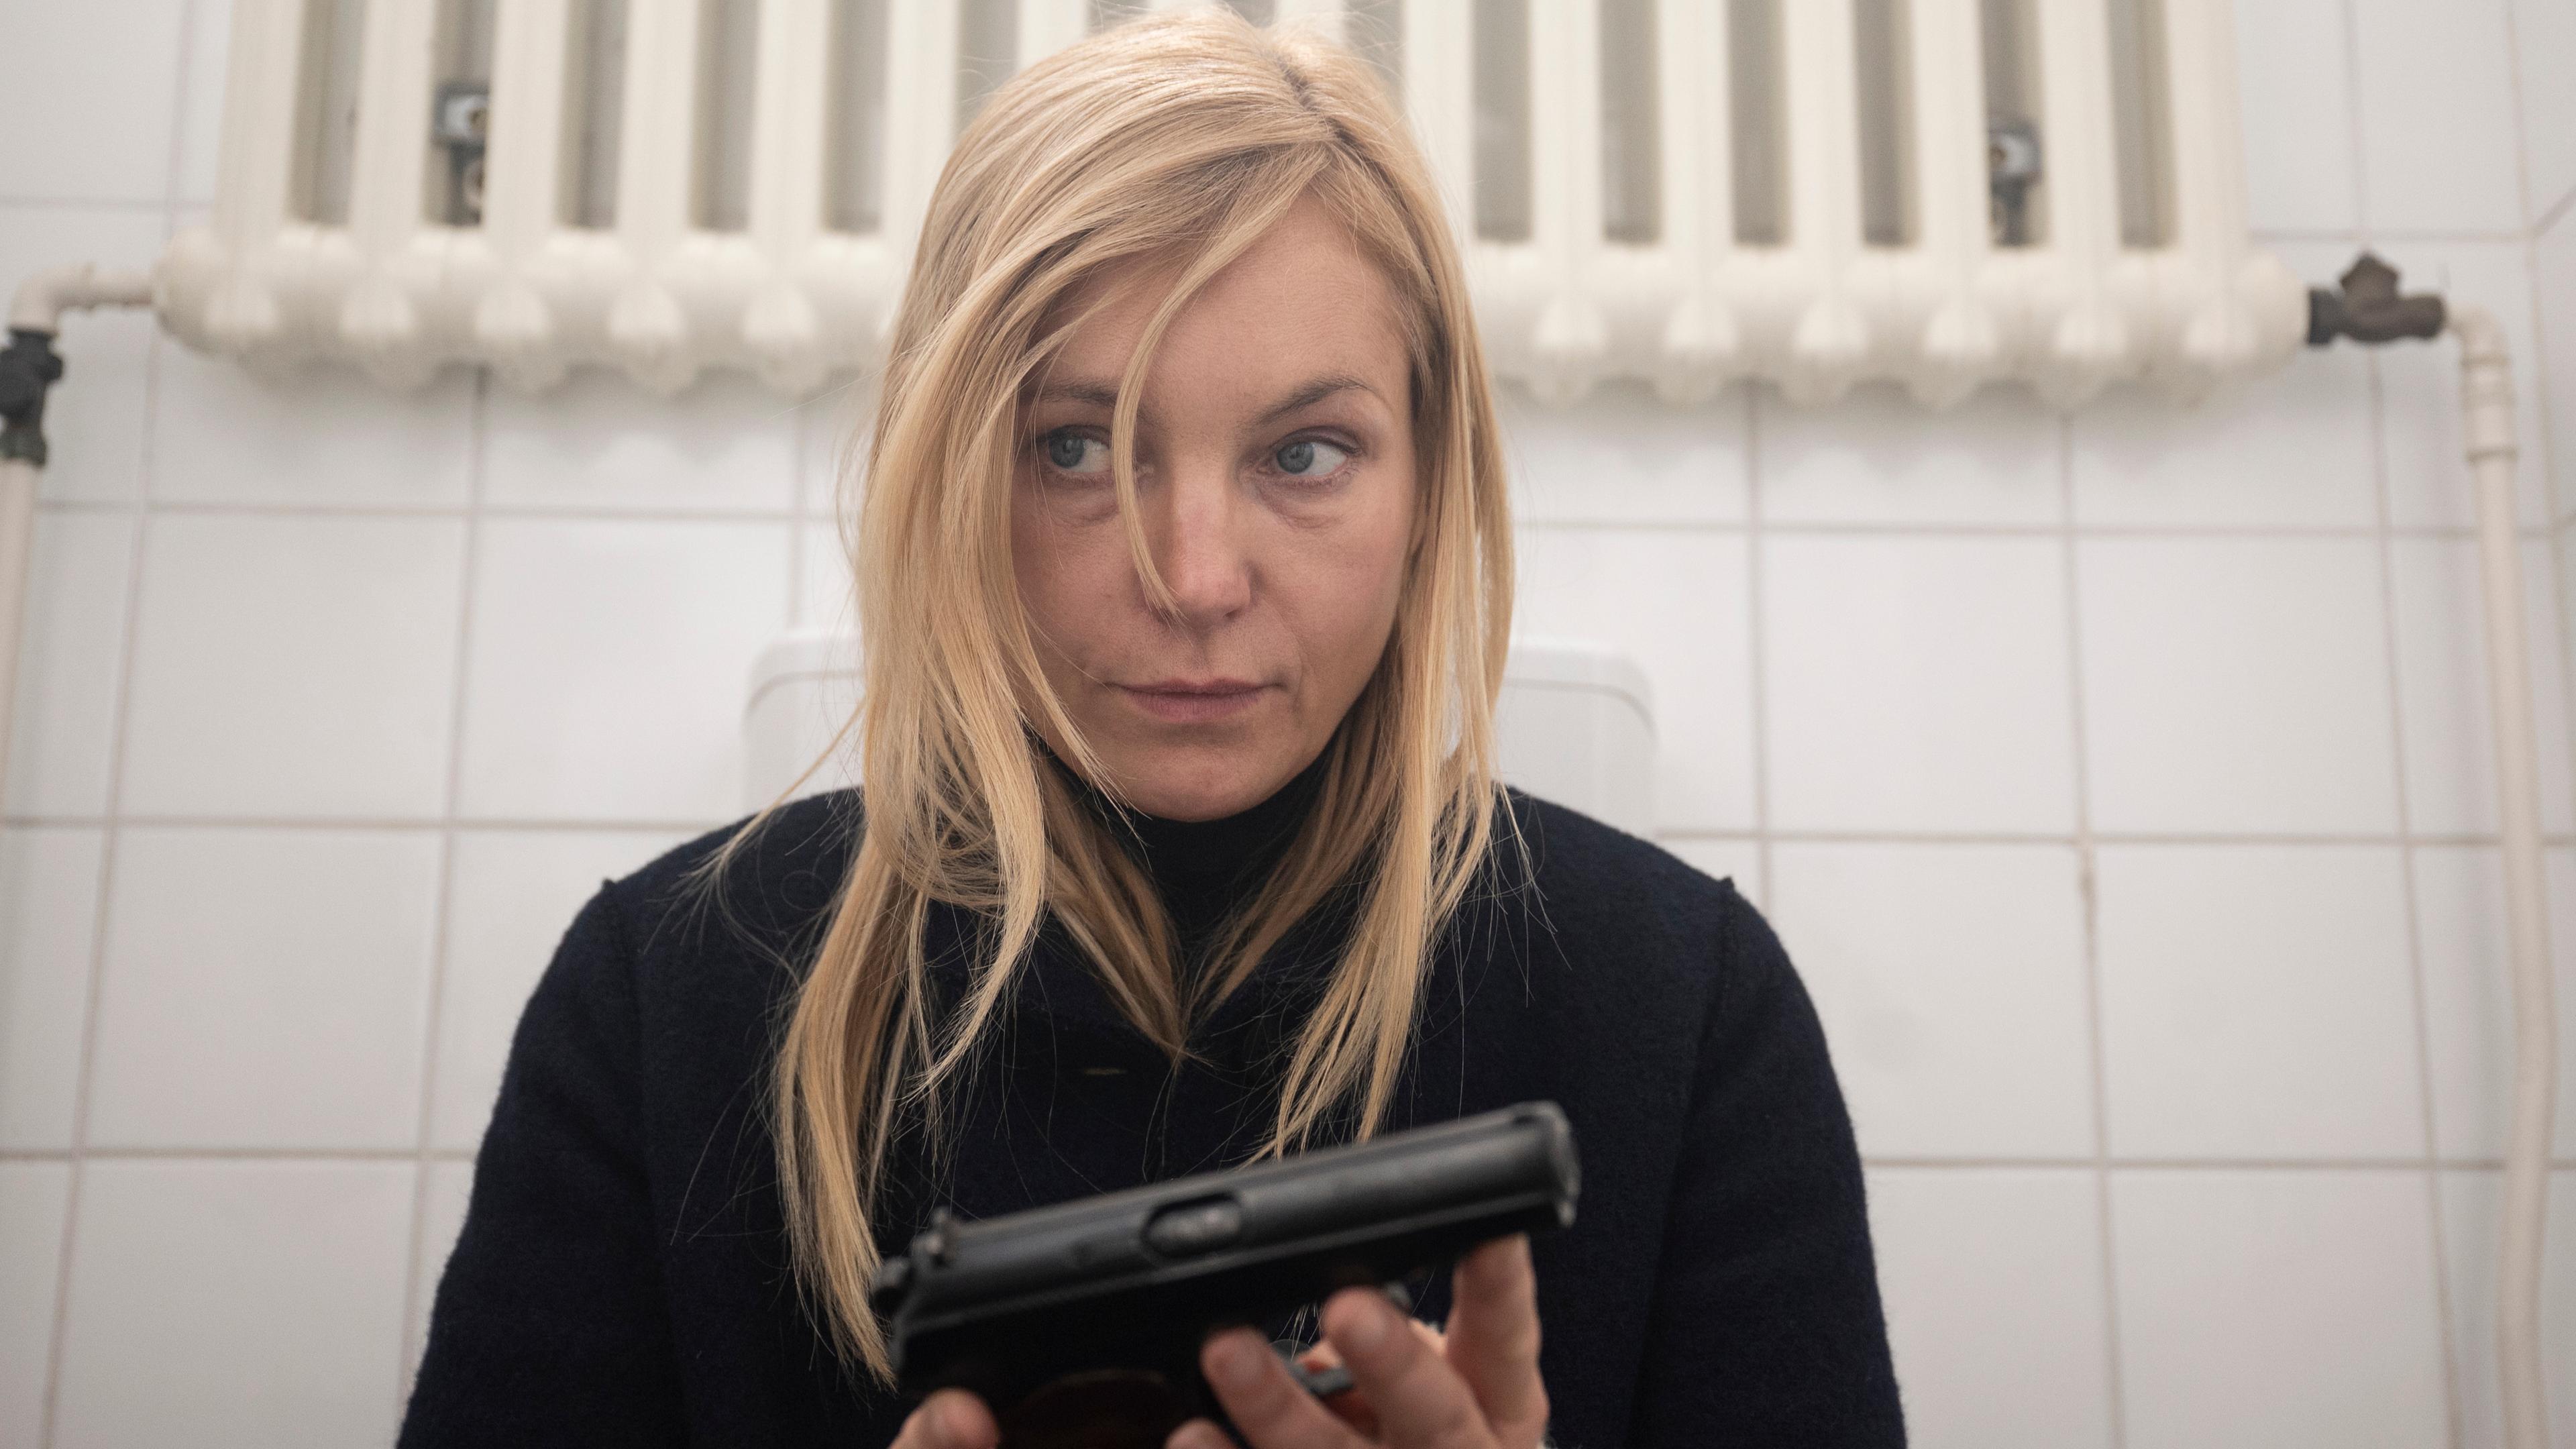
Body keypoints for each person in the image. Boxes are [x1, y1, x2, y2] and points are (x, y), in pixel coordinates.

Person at [398, 9, 1904, 1448]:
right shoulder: (668, 1004)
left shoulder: (1680, 1011)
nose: (1195, 580)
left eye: (1306, 454)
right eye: (1076, 448)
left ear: (1428, 485)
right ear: (952, 476)